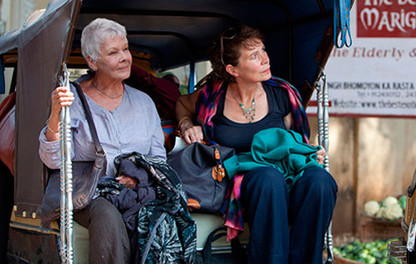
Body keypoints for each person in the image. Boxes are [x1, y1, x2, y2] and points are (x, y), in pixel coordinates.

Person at [175, 24, 337, 264]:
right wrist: (188, 124)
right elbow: (182, 104)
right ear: (233, 69)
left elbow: (297, 142)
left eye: (263, 50)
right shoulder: (212, 97)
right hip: (240, 179)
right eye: (254, 55)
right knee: (267, 178)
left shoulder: (283, 94)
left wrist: (311, 153)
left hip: (286, 175)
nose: (265, 59)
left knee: (321, 181)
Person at [39, 18, 166, 264]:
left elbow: (158, 159)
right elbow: (53, 160)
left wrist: (138, 178)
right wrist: (55, 116)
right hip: (89, 193)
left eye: (126, 49)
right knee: (107, 216)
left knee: (161, 217)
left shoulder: (144, 102)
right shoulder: (71, 100)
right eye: (113, 52)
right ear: (92, 61)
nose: (125, 57)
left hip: (136, 191)